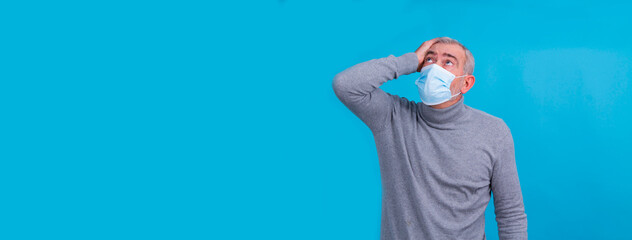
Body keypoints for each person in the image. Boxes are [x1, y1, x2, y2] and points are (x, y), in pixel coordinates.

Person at [332, 37, 527, 240]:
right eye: (429, 60)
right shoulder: (392, 117)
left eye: (448, 62)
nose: (435, 68)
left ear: (466, 83)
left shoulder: (493, 131)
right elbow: (345, 85)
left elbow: (511, 214)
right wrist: (410, 60)